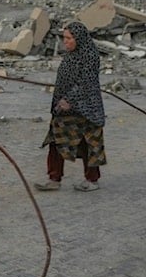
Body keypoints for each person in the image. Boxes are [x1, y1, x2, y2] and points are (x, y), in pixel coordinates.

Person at [34, 21, 107, 192]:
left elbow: (86, 83)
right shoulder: (70, 54)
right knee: (55, 141)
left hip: (85, 109)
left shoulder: (89, 56)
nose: (65, 42)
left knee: (88, 143)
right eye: (63, 38)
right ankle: (54, 179)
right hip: (64, 109)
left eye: (68, 38)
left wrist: (70, 100)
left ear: (78, 38)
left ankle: (92, 179)